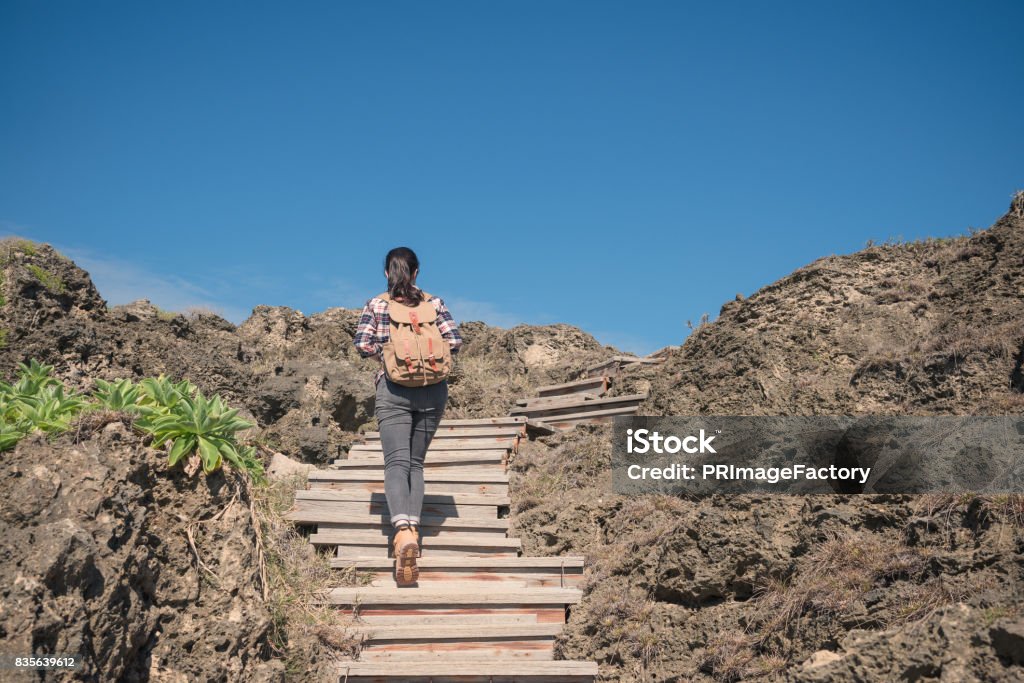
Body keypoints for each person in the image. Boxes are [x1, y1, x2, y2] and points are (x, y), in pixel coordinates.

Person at [352, 246, 463, 586]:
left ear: (387, 273)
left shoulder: (378, 304)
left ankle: (402, 533)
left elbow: (362, 344)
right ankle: (414, 528)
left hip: (394, 389)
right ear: (416, 273)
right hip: (434, 389)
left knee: (396, 463)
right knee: (416, 463)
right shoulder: (436, 304)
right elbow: (455, 342)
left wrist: (391, 353)